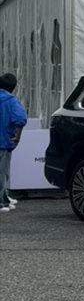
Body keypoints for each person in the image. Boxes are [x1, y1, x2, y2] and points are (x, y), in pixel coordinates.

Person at [0, 72, 27, 214]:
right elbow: (21, 119)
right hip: (3, 142)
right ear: (13, 87)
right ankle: (1, 201)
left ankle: (4, 198)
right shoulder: (11, 101)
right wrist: (17, 137)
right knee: (2, 173)